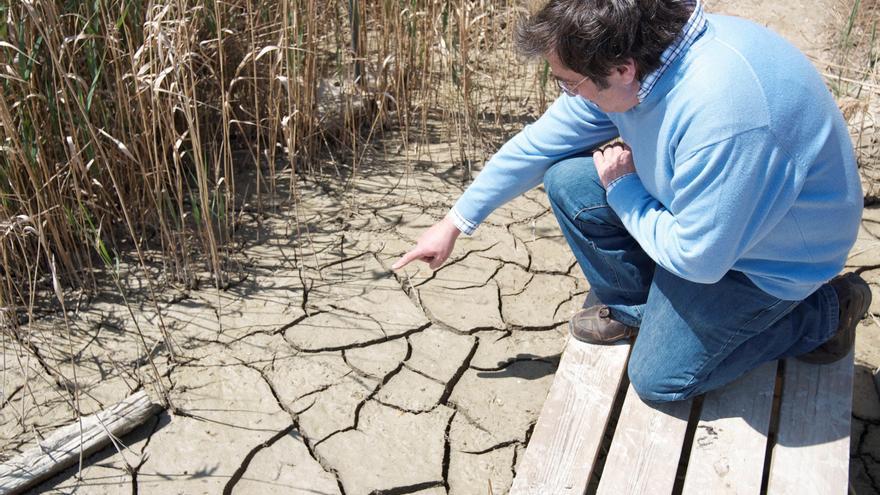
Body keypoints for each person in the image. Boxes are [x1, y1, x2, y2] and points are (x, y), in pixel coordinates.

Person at [391, 0, 871, 403]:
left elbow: (699, 260)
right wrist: (455, 221)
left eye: (569, 81)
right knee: (570, 181)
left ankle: (827, 312)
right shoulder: (644, 61)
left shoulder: (724, 115)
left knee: (660, 380)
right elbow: (538, 146)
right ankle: (648, 311)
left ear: (621, 69)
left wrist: (626, 193)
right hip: (707, 218)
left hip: (770, 261)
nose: (566, 92)